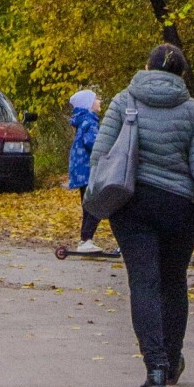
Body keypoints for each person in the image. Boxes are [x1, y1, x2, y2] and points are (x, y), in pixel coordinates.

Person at [87, 43, 194, 387]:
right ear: (180, 75)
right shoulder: (191, 109)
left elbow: (101, 155)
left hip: (132, 204)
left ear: (147, 67)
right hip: (179, 208)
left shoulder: (124, 100)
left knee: (144, 283)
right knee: (173, 283)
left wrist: (94, 207)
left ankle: (155, 368)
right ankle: (172, 360)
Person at [68, 86, 117, 258]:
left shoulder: (84, 121)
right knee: (97, 204)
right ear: (88, 104)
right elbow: (94, 144)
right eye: (96, 99)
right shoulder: (90, 122)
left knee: (89, 205)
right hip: (89, 172)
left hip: (82, 171)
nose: (99, 102)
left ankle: (85, 239)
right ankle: (86, 239)